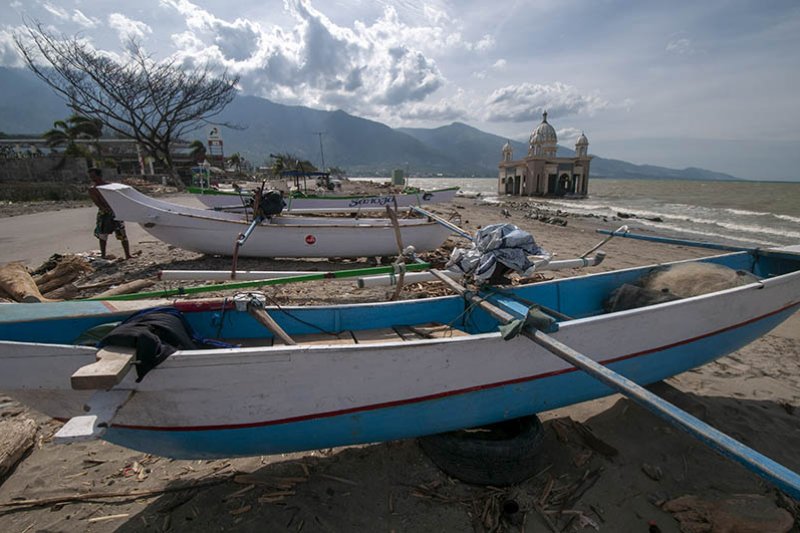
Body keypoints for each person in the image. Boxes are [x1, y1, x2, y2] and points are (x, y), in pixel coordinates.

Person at [88, 168, 131, 259]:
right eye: (91, 177)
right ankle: (103, 255)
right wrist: (107, 209)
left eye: (94, 176)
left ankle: (127, 254)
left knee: (122, 233)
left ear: (99, 176)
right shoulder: (93, 189)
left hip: (115, 212)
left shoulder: (109, 186)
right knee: (103, 235)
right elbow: (98, 203)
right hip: (104, 214)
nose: (92, 178)